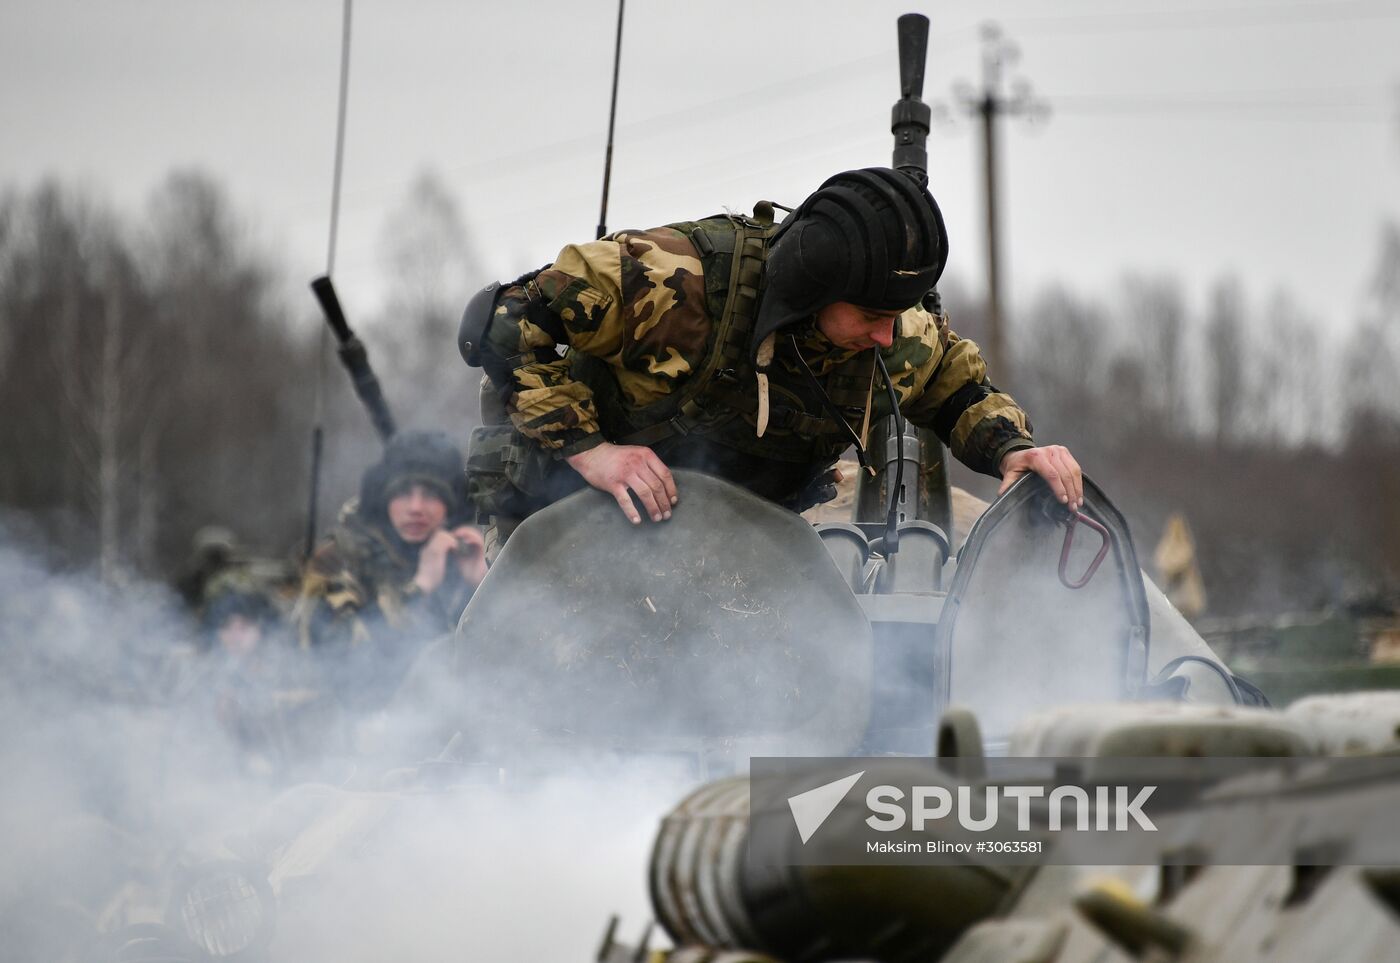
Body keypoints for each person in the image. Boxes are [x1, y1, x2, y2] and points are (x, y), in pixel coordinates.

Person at [462, 167, 1081, 528]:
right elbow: (506, 318)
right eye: (871, 315)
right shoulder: (669, 282)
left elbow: (957, 388)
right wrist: (592, 452)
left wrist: (1013, 450)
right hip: (567, 522)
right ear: (811, 292)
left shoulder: (896, 336)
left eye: (897, 316)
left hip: (744, 561)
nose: (886, 335)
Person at [297, 430, 487, 708]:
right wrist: (418, 589)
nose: (416, 507)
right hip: (354, 719)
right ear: (384, 498)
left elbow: (500, 661)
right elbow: (335, 658)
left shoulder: (458, 557)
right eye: (403, 493)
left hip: (444, 716)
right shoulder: (340, 557)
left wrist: (482, 587)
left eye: (431, 494)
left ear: (451, 506)